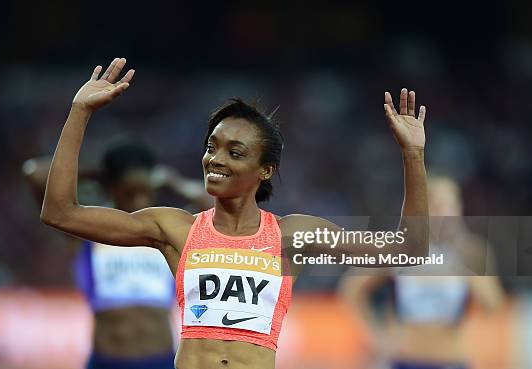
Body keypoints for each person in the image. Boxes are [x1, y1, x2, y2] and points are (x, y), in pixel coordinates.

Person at [40, 56, 429, 369]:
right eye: (212, 146)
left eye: (235, 152)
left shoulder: (291, 236)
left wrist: (413, 155)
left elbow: (408, 249)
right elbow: (60, 212)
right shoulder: (173, 228)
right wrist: (79, 112)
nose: (215, 159)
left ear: (265, 170)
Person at [23, 140, 211, 369]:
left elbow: (213, 208)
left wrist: (173, 181)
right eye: (130, 192)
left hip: (161, 360)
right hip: (108, 361)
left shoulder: (168, 231)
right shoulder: (91, 228)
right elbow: (35, 174)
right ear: (112, 188)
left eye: (145, 191)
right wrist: (101, 173)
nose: (139, 201)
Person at [340, 175, 504, 369]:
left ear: (458, 209)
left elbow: (493, 304)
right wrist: (376, 336)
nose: (443, 214)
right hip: (405, 359)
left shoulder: (472, 251)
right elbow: (351, 289)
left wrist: (468, 268)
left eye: (448, 206)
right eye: (435, 206)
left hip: (452, 360)